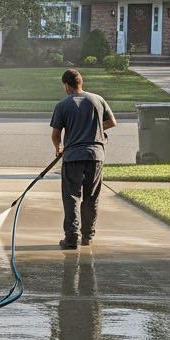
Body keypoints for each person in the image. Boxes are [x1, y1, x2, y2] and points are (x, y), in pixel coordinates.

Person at [49, 68, 117, 249]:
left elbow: (56, 134)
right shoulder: (98, 100)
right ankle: (88, 236)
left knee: (71, 196)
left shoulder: (63, 105)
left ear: (66, 85)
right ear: (81, 83)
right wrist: (95, 129)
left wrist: (59, 148)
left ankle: (72, 238)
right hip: (96, 156)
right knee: (91, 197)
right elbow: (111, 122)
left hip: (73, 157)